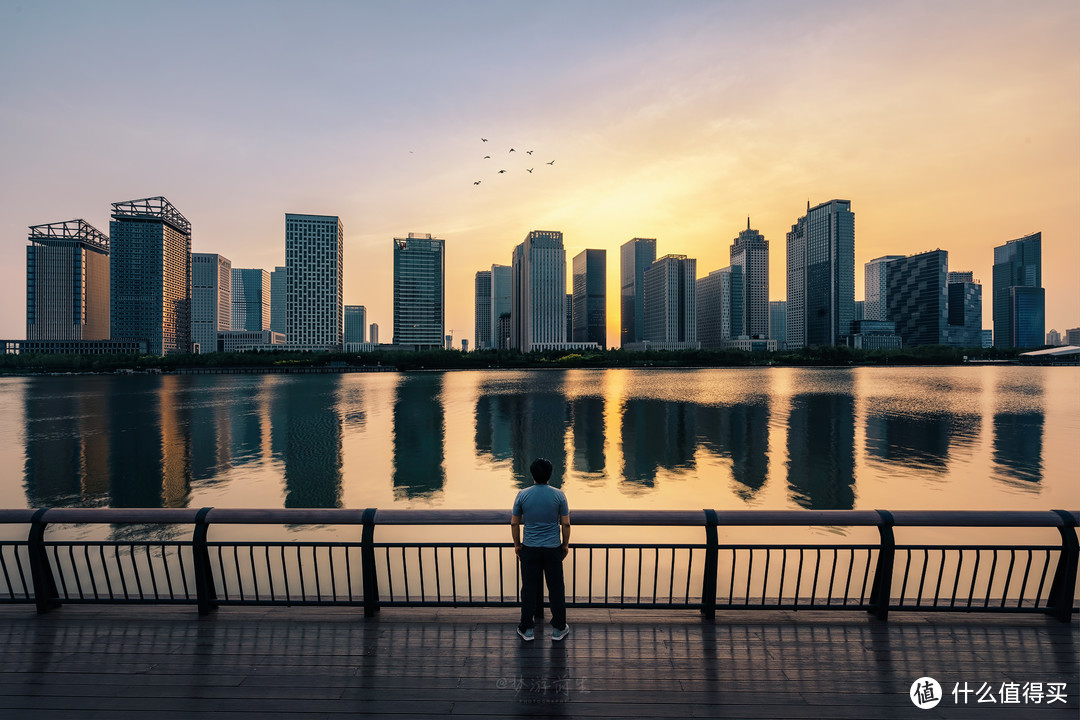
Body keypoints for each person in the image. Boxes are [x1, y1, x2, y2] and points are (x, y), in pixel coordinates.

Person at [511, 457, 571, 642]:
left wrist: (517, 544)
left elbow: (514, 523)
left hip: (530, 548)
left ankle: (527, 629)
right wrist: (565, 544)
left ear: (532, 474)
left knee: (528, 589)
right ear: (550, 474)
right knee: (556, 589)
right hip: (553, 548)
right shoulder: (559, 495)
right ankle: (559, 628)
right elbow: (566, 524)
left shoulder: (522, 494)